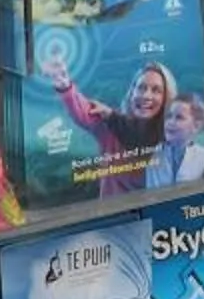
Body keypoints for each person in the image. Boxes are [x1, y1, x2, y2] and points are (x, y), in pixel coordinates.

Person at [42, 52, 173, 194]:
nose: (146, 96)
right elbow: (84, 112)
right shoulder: (112, 127)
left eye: (156, 90)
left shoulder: (172, 136)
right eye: (141, 88)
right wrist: (64, 84)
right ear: (131, 93)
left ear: (166, 98)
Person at [145, 92, 204, 190]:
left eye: (179, 118)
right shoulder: (151, 152)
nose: (171, 122)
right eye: (169, 116)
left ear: (196, 126)